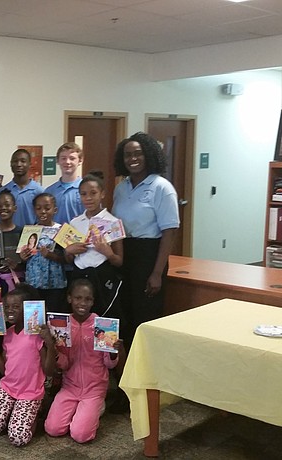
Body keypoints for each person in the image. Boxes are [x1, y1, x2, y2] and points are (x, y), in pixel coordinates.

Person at [111, 132, 179, 413]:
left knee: (144, 325)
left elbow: (170, 232)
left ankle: (148, 391)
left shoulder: (162, 187)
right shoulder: (121, 188)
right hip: (124, 257)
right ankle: (126, 387)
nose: (133, 158)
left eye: (138, 153)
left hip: (149, 258)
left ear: (149, 155)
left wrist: (157, 272)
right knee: (125, 323)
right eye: (128, 154)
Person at [44, 279, 125, 443]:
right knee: (53, 429)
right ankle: (81, 410)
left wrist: (113, 351)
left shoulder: (102, 325)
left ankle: (94, 407)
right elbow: (64, 364)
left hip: (94, 388)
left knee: (80, 435)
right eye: (78, 298)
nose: (82, 303)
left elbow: (109, 364)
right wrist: (53, 347)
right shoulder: (62, 325)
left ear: (93, 301)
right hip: (70, 387)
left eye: (88, 299)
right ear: (69, 298)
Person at [0, 284, 57, 447]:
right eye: (7, 307)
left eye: (16, 307)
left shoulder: (37, 335)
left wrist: (50, 345)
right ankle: (14, 412)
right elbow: (4, 371)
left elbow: (49, 370)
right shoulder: (8, 334)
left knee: (18, 438)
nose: (10, 310)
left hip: (30, 392)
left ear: (27, 308)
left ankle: (34, 413)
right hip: (8, 388)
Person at [65, 174, 123, 316]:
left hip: (101, 276)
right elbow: (69, 259)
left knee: (102, 315)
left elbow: (119, 261)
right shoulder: (75, 222)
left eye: (93, 193)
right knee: (78, 315)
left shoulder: (113, 222)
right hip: (78, 275)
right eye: (83, 194)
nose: (88, 198)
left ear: (102, 194)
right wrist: (68, 251)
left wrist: (108, 253)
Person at [20, 193, 67, 312]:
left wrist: (51, 255)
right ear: (34, 210)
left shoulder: (61, 230)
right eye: (38, 208)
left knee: (53, 313)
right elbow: (23, 258)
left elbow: (67, 259)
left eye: (47, 208)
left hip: (55, 283)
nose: (43, 211)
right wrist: (23, 257)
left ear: (55, 210)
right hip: (34, 282)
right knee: (34, 315)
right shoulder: (29, 231)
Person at [0, 189, 25, 294]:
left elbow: (27, 261)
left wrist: (18, 266)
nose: (3, 208)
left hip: (17, 281)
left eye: (7, 205)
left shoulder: (22, 232)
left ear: (15, 208)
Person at [0, 149, 43, 227]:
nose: (19, 164)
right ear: (10, 164)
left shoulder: (39, 191)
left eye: (23, 161)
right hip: (8, 233)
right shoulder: (2, 192)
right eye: (15, 161)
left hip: (32, 233)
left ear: (30, 164)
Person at [45, 143, 84, 225]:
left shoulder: (86, 189)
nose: (67, 162)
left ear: (80, 161)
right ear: (57, 161)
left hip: (80, 233)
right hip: (54, 233)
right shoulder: (49, 191)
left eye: (72, 158)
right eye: (63, 158)